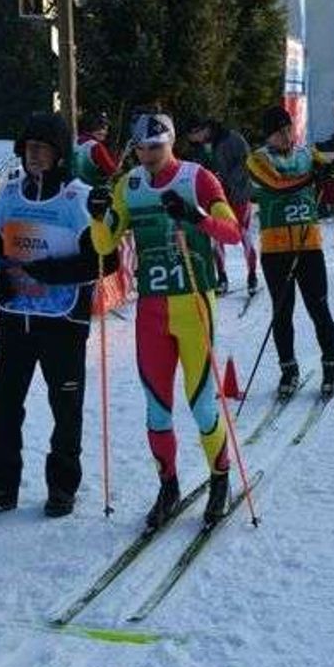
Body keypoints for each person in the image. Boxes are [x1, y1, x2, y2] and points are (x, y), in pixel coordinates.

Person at [88, 112, 241, 528]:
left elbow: (233, 232)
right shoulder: (129, 185)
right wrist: (97, 213)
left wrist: (195, 216)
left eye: (156, 146)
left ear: (170, 143)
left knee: (203, 403)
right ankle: (168, 485)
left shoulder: (198, 178)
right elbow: (104, 244)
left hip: (194, 304)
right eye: (142, 147)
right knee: (157, 409)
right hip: (152, 309)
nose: (149, 154)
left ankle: (220, 479)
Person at [0, 112, 115, 518]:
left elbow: (107, 260)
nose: (34, 156)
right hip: (17, 317)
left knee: (65, 407)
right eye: (28, 149)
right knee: (3, 402)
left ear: (59, 154)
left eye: (42, 149)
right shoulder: (10, 195)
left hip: (63, 320)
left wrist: (52, 272)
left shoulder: (78, 198)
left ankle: (62, 487)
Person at [246, 105, 334, 401]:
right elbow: (276, 186)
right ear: (268, 135)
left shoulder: (305, 153)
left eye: (288, 129)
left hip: (308, 243)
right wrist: (314, 176)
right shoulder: (257, 159)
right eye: (278, 132)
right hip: (276, 249)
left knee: (319, 307)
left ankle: (330, 364)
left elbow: (329, 168)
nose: (286, 136)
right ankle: (288, 369)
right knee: (282, 312)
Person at [185, 117, 259, 296]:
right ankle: (222, 277)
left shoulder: (231, 138)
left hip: (239, 195)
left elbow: (246, 162)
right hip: (217, 199)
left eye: (193, 135)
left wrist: (227, 181)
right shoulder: (198, 147)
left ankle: (252, 275)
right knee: (216, 236)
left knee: (243, 234)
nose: (192, 140)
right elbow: (198, 170)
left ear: (203, 129)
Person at [74, 112, 120, 186]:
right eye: (104, 129)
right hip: (90, 188)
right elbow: (112, 170)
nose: (106, 133)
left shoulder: (75, 141)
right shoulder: (96, 146)